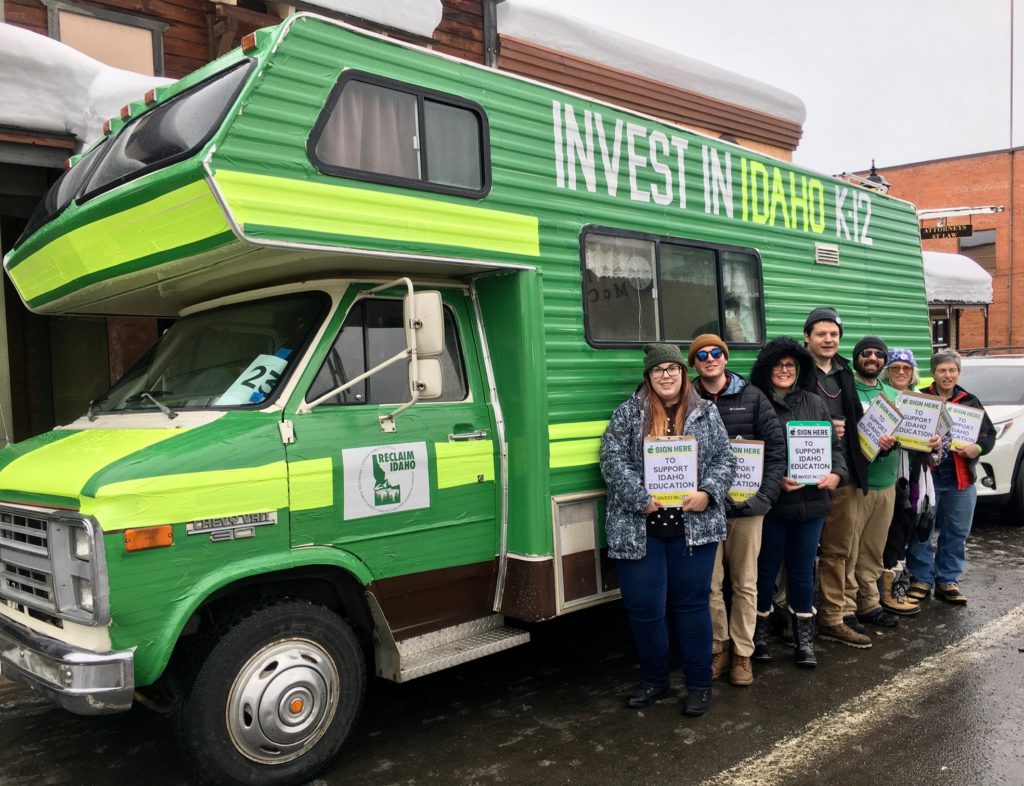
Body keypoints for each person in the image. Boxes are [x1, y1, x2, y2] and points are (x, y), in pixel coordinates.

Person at [600, 343, 737, 717]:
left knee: (692, 607)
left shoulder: (706, 412)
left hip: (692, 529)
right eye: (658, 370)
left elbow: (726, 459)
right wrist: (639, 498)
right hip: (640, 527)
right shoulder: (628, 414)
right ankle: (654, 681)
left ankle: (698, 685)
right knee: (644, 609)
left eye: (672, 369)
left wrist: (708, 493)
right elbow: (611, 459)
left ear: (683, 373)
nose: (666, 375)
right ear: (648, 376)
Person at [690, 334, 785, 686]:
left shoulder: (753, 398)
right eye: (702, 355)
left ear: (725, 358)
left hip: (748, 507)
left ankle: (743, 654)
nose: (710, 358)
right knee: (709, 584)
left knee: (745, 583)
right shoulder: (688, 399)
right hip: (704, 507)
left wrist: (764, 498)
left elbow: (775, 451)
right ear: (694, 363)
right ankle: (720, 647)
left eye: (716, 352)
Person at [749, 337, 846, 668]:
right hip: (774, 503)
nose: (784, 370)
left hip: (812, 502)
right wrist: (772, 480)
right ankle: (758, 635)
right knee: (765, 570)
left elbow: (834, 447)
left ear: (800, 368)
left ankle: (803, 639)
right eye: (778, 365)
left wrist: (837, 474)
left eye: (790, 365)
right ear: (766, 368)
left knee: (803, 570)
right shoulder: (757, 401)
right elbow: (747, 452)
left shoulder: (815, 402)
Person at [802, 308, 873, 648]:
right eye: (821, 334)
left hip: (842, 471)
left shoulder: (845, 371)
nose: (828, 339)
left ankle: (832, 616)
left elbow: (856, 417)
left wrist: (880, 441)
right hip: (803, 474)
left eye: (833, 334)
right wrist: (822, 426)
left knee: (838, 548)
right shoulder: (797, 369)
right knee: (798, 552)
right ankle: (794, 617)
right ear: (807, 337)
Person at [905, 349, 996, 605]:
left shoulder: (970, 401)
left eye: (952, 370)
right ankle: (921, 578)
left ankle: (947, 579)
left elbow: (988, 435)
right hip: (927, 478)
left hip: (960, 479)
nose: (947, 375)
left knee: (956, 532)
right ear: (933, 373)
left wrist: (976, 448)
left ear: (958, 372)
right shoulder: (921, 398)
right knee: (921, 529)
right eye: (942, 370)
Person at [877, 348, 939, 615]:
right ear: (886, 372)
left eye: (906, 368)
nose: (901, 372)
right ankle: (884, 592)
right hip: (888, 475)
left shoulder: (926, 402)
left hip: (917, 478)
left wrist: (936, 444)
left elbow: (940, 451)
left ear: (914, 372)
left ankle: (896, 588)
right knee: (888, 534)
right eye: (895, 368)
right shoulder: (881, 400)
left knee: (905, 530)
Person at [846, 335, 902, 628]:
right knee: (849, 547)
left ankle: (869, 602)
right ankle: (846, 606)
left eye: (879, 354)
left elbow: (910, 436)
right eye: (866, 353)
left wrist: (929, 441)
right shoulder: (847, 391)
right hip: (857, 483)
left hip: (886, 483)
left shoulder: (893, 395)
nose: (872, 358)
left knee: (873, 549)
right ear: (857, 358)